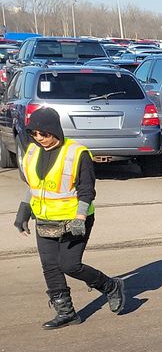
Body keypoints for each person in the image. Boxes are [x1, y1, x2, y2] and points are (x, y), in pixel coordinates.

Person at [13, 107, 125, 328]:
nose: (39, 138)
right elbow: (34, 186)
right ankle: (66, 313)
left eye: (43, 134)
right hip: (45, 220)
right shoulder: (33, 152)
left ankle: (110, 286)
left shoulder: (76, 153)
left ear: (54, 130)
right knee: (50, 266)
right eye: (34, 134)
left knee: (70, 265)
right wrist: (23, 211)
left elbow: (87, 190)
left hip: (74, 219)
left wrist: (80, 218)